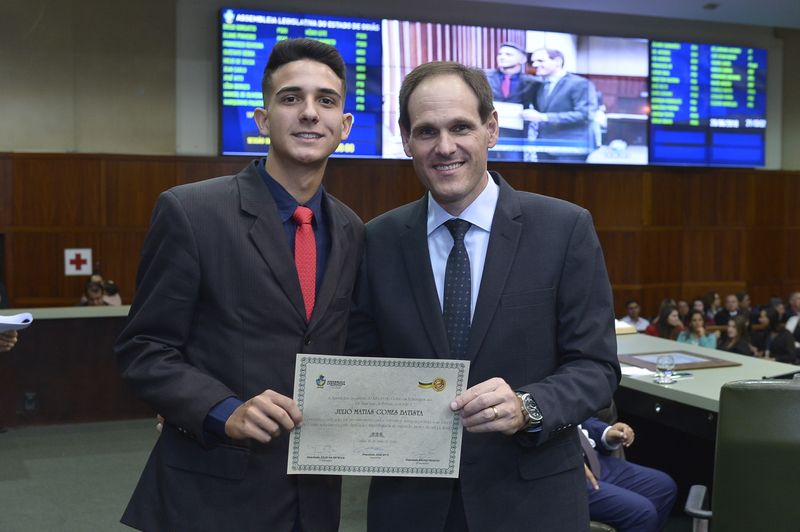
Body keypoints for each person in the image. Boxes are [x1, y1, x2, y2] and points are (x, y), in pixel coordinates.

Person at [346, 61, 619, 532]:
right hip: (411, 504)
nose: (444, 147)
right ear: (405, 139)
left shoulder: (564, 229)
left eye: (460, 127)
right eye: (426, 131)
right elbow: (360, 363)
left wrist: (527, 406)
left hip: (530, 503)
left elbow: (597, 367)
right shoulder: (377, 240)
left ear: (491, 129)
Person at [114, 39, 364, 532]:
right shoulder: (191, 211)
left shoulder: (353, 230)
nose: (309, 112)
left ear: (344, 126)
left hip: (314, 498)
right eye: (291, 98)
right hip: (211, 495)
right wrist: (221, 410)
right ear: (263, 119)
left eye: (326, 100)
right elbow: (143, 348)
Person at [582, 417, 677, 532]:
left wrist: (605, 433)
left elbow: (576, 420)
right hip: (565, 472)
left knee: (664, 487)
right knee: (643, 513)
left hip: (590, 459)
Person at [523, 48, 598, 162]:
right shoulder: (540, 85)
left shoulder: (579, 83)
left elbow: (586, 114)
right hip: (544, 147)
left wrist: (543, 117)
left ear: (557, 61)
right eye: (533, 61)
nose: (534, 65)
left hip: (571, 148)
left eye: (540, 61)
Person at [484, 42, 539, 160]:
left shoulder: (533, 82)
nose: (502, 57)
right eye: (500, 54)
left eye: (508, 54)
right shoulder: (485, 76)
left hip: (515, 135)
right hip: (487, 132)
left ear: (523, 59)